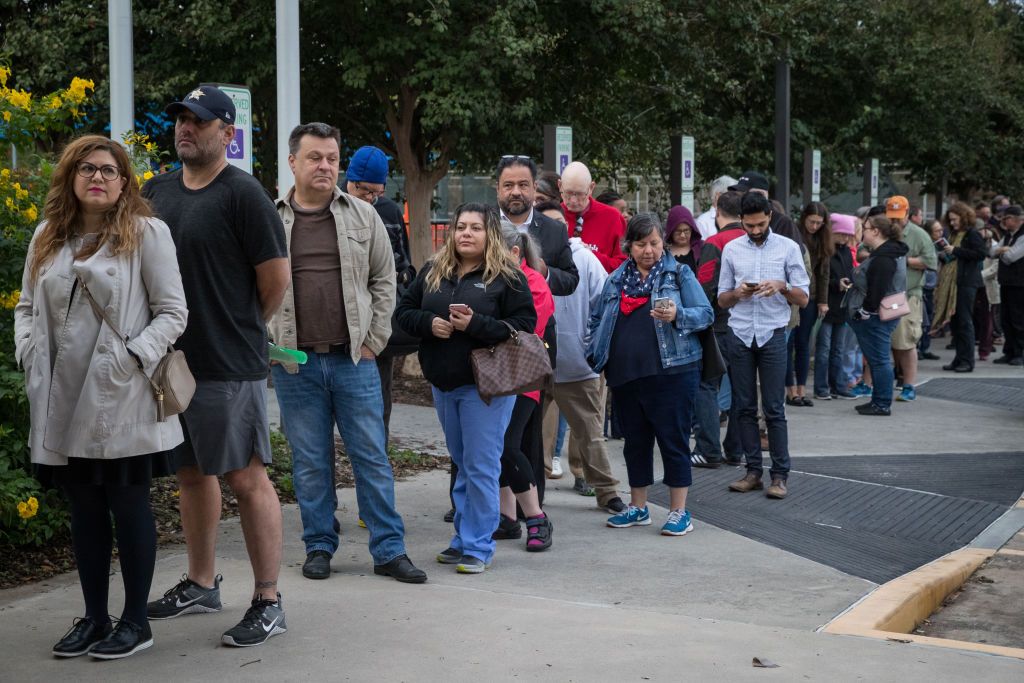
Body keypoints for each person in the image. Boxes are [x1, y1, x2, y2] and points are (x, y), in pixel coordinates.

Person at [14, 135, 187, 660]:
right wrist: (28, 353)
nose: (98, 177)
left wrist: (131, 358)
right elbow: (24, 305)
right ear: (70, 177)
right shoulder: (48, 236)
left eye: (109, 170)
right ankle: (94, 617)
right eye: (87, 168)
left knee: (127, 506)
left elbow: (173, 312)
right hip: (60, 398)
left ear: (125, 180)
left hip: (121, 397)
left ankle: (136, 622)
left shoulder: (145, 233)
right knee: (84, 509)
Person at [142, 85, 292, 648]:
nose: (186, 128)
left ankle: (269, 599)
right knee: (190, 473)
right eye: (181, 119)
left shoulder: (243, 194)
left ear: (227, 134)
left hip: (230, 364)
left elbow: (274, 281)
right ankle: (202, 584)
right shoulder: (157, 190)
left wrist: (240, 326)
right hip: (171, 363)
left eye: (200, 122)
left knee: (246, 477)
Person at [267, 123, 426, 584]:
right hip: (295, 364)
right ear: (293, 162)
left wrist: (374, 341)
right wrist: (269, 340)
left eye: (332, 158)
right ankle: (319, 545)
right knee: (311, 460)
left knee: (371, 456)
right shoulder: (270, 219)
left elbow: (384, 281)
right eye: (315, 157)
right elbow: (249, 283)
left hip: (354, 360)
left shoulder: (363, 215)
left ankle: (389, 549)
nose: (325, 166)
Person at [396, 203, 536, 574]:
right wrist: (431, 324)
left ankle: (479, 544)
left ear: (490, 233)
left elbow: (524, 324)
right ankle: (462, 539)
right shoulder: (433, 270)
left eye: (475, 227)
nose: (466, 234)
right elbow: (404, 312)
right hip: (443, 384)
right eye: (461, 227)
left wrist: (476, 324)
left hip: (485, 387)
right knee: (462, 463)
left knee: (481, 465)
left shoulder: (506, 276)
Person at [587, 214, 713, 534]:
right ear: (629, 246)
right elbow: (597, 319)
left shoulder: (679, 274)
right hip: (626, 376)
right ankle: (638, 507)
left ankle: (678, 511)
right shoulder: (615, 279)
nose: (648, 250)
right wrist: (597, 353)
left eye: (654, 243)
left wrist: (677, 314)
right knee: (635, 444)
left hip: (672, 373)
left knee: (673, 441)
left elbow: (706, 314)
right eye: (641, 244)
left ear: (663, 243)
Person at [534, 200, 624, 513]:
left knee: (590, 433)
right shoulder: (520, 255)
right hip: (530, 361)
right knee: (520, 433)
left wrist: (593, 346)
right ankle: (526, 495)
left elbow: (606, 300)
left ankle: (607, 492)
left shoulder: (583, 258)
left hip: (576, 361)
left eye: (559, 224)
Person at [718, 192, 809, 499]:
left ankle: (780, 475)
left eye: (759, 224)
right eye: (749, 225)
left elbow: (803, 297)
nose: (755, 230)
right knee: (743, 407)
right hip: (740, 332)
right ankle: (753, 471)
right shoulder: (731, 248)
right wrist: (738, 293)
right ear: (741, 220)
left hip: (773, 332)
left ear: (770, 216)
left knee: (773, 408)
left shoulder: (788, 247)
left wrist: (781, 286)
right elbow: (721, 298)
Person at [343, 145, 417, 442]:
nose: (370, 198)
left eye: (377, 192)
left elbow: (404, 261)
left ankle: (379, 448)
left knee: (379, 394)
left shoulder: (387, 210)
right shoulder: (333, 205)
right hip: (341, 319)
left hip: (377, 320)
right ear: (351, 180)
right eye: (365, 191)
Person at [492, 224, 556, 550]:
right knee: (497, 447)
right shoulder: (498, 281)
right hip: (496, 378)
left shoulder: (535, 286)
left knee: (507, 445)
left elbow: (523, 333)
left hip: (522, 381)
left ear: (514, 253)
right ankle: (507, 518)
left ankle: (535, 516)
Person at [691, 190, 746, 468]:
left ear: (716, 209)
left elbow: (705, 288)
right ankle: (735, 450)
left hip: (720, 326)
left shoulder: (716, 242)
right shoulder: (754, 241)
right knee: (741, 388)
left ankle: (708, 448)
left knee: (706, 384)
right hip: (749, 326)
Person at [845, 215, 909, 416]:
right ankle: (879, 401)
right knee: (878, 359)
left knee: (879, 360)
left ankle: (881, 403)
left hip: (876, 316)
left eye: (865, 227)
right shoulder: (890, 252)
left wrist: (865, 311)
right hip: (885, 312)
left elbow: (878, 288)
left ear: (876, 231)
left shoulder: (884, 257)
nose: (862, 231)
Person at [886, 196, 937, 401]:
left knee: (906, 341)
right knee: (885, 342)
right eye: (892, 217)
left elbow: (930, 261)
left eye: (898, 217)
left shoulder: (919, 235)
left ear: (907, 214)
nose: (895, 221)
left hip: (908, 294)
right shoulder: (883, 229)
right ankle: (872, 383)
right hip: (885, 294)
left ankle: (909, 385)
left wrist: (904, 260)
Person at [787, 202, 832, 406]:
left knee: (804, 343)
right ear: (804, 217)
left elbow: (824, 273)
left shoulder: (822, 240)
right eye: (812, 222)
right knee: (788, 343)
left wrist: (823, 301)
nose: (814, 226)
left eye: (819, 223)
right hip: (793, 295)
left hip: (811, 297)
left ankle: (802, 389)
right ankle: (790, 390)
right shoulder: (794, 234)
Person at [939, 202, 986, 372]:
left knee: (965, 322)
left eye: (954, 219)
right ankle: (959, 359)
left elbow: (981, 253)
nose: (952, 223)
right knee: (957, 323)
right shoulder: (956, 234)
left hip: (967, 283)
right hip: (956, 282)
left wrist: (956, 250)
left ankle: (967, 360)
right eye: (950, 220)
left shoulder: (972, 234)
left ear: (963, 217)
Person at [813, 213, 856, 400]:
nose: (846, 239)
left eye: (849, 235)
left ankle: (837, 385)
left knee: (839, 349)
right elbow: (821, 277)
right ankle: (821, 387)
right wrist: (835, 283)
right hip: (826, 305)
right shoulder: (826, 250)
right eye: (842, 234)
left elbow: (850, 272)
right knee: (823, 349)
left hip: (842, 306)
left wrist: (849, 282)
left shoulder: (846, 251)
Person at [559, 161, 627, 272]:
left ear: (591, 188)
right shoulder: (551, 216)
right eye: (568, 193)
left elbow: (624, 266)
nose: (573, 200)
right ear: (559, 185)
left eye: (580, 194)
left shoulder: (613, 217)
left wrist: (591, 256)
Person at [991, 205, 1024, 365]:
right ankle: (1009, 351)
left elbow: (1011, 257)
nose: (1003, 221)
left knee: (1018, 319)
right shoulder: (1008, 235)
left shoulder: (1022, 235)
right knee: (1006, 318)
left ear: (1018, 219)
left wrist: (1001, 252)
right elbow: (991, 251)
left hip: (1019, 284)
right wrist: (1002, 250)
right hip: (1007, 282)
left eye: (1007, 218)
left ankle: (1019, 352)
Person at [665, 205, 703, 273]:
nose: (682, 235)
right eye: (678, 231)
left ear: (692, 229)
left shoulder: (702, 248)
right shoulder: (663, 252)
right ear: (671, 231)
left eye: (686, 231)